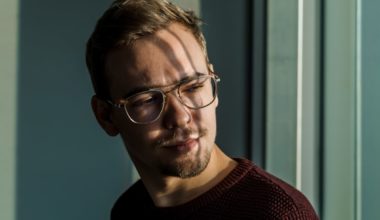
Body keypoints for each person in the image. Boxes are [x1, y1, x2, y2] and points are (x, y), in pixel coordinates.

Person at [85, 0, 319, 219]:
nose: (180, 117)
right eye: (146, 100)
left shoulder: (279, 213)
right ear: (106, 116)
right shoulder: (130, 209)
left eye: (193, 87)